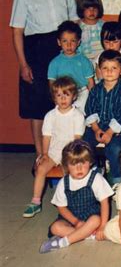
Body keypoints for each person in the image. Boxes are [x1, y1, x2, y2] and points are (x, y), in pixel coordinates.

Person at [10, 0, 78, 157]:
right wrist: (23, 64)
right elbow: (17, 32)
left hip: (63, 48)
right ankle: (42, 155)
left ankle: (68, 155)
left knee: (66, 100)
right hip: (37, 53)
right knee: (38, 106)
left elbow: (75, 24)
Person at [23, 77, 85, 218]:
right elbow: (46, 136)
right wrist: (44, 154)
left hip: (70, 151)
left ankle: (69, 202)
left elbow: (77, 140)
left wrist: (70, 158)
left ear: (74, 96)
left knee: (67, 172)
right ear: (54, 98)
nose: (63, 99)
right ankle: (36, 201)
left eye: (66, 94)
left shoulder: (77, 115)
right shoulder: (50, 115)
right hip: (53, 151)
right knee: (41, 168)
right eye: (59, 95)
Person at [39, 140, 113, 253]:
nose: (79, 168)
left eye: (83, 163)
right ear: (66, 165)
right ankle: (88, 236)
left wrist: (103, 226)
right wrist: (76, 222)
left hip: (91, 217)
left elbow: (104, 203)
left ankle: (64, 242)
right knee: (55, 227)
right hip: (71, 218)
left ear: (90, 162)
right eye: (73, 164)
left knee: (96, 220)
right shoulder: (64, 182)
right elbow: (61, 208)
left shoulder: (96, 178)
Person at [84, 50, 121, 185]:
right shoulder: (95, 90)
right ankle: (92, 171)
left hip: (117, 129)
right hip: (97, 126)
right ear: (99, 70)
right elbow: (90, 109)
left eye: (114, 68)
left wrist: (110, 132)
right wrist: (96, 129)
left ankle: (117, 179)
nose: (109, 72)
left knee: (115, 148)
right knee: (85, 145)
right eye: (105, 68)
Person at [47, 21, 95, 113]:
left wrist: (92, 99)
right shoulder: (54, 63)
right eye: (65, 41)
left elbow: (90, 82)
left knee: (83, 119)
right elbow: (52, 83)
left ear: (78, 42)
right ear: (59, 42)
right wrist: (55, 98)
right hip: (62, 95)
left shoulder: (84, 61)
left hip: (82, 94)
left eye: (72, 41)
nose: (69, 45)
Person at [95, 22, 121, 88]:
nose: (111, 45)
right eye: (107, 42)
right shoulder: (100, 57)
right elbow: (100, 78)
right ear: (102, 41)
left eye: (115, 42)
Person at [77, 0, 105, 64]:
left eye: (94, 8)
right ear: (81, 8)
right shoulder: (78, 27)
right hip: (84, 62)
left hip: (101, 62)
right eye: (88, 8)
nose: (92, 11)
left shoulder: (104, 25)